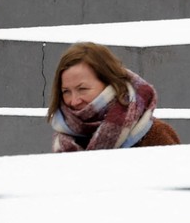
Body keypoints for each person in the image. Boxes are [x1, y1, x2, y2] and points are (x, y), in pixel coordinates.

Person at [47, 41, 180, 152]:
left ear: (109, 83)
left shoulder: (156, 135)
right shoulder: (65, 139)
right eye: (66, 91)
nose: (74, 101)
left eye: (82, 89)